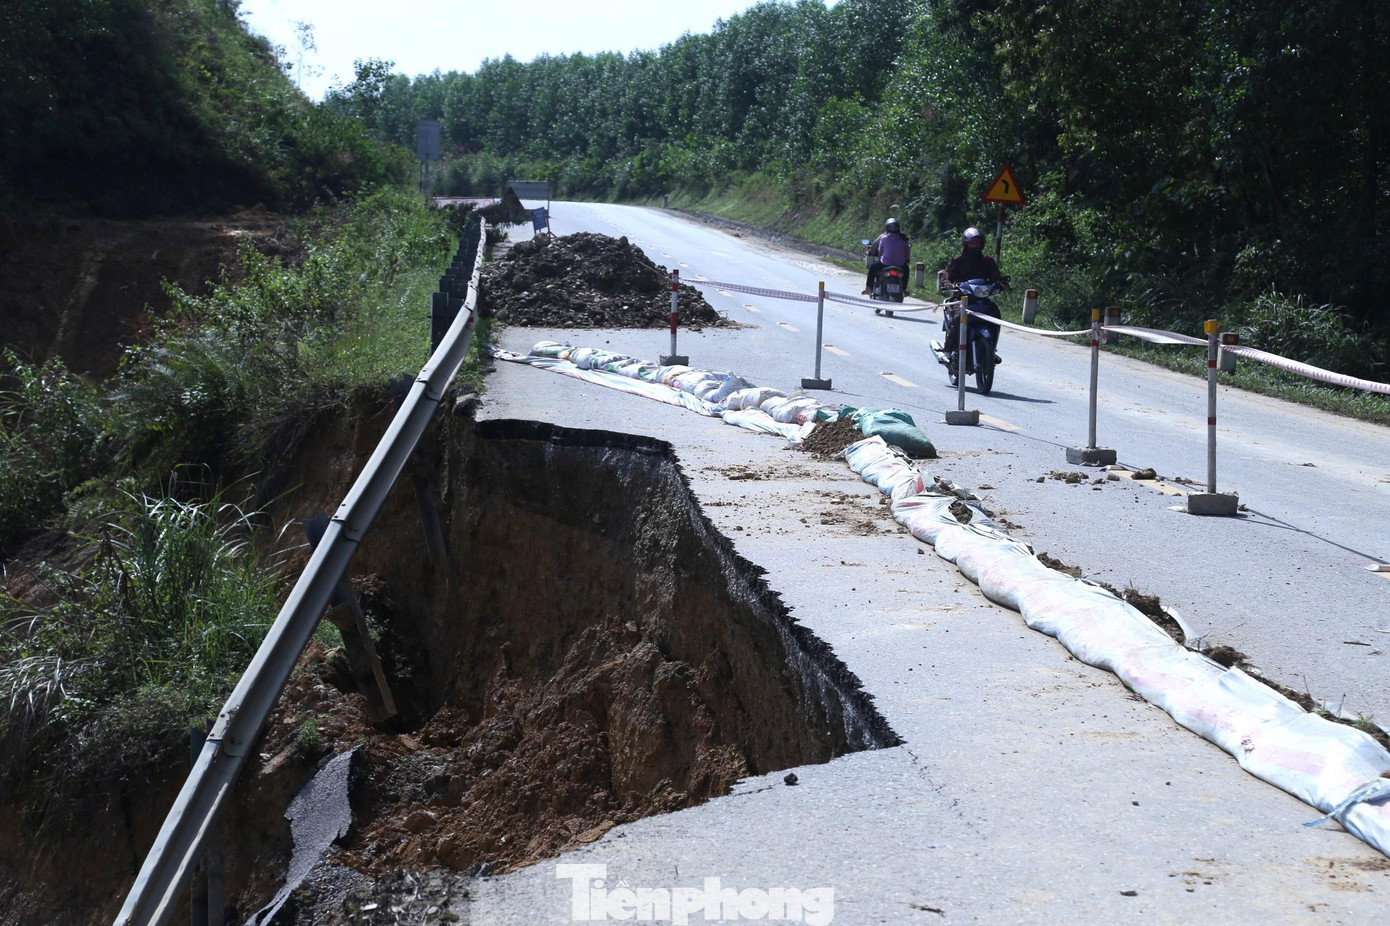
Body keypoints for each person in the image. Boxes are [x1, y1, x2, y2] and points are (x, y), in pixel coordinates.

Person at [939, 226, 1008, 360]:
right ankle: (948, 350)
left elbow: (995, 277)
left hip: (982, 299)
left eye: (977, 243)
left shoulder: (987, 261)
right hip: (961, 299)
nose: (974, 246)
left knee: (995, 314)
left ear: (982, 244)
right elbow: (947, 276)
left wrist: (1001, 285)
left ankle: (991, 349)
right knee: (959, 318)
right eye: (972, 243)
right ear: (965, 244)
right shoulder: (958, 261)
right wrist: (947, 283)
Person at [863, 218, 911, 295]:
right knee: (906, 270)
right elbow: (908, 253)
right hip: (900, 265)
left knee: (873, 268)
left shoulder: (883, 238)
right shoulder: (904, 239)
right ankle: (904, 289)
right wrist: (906, 259)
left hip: (885, 263)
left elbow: (880, 252)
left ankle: (869, 288)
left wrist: (880, 257)